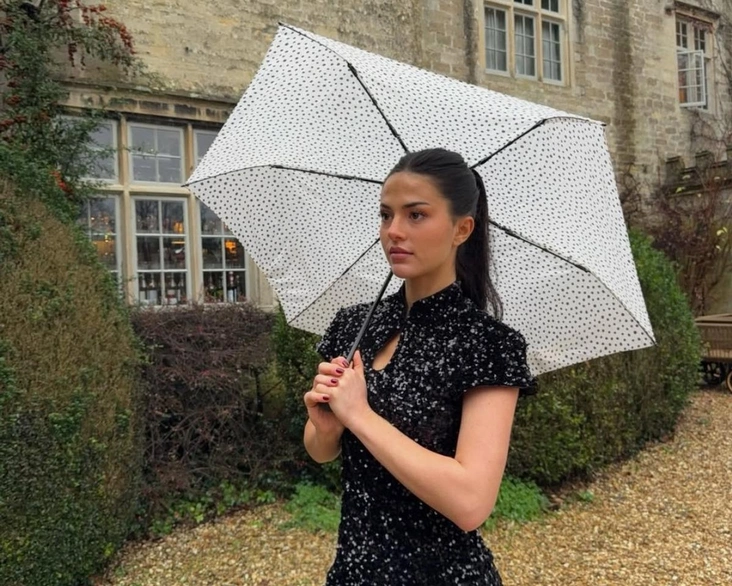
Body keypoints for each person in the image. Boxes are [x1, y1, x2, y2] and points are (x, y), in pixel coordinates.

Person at [303, 148, 534, 585]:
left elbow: (471, 502)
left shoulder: (487, 345)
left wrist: (359, 415)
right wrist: (326, 426)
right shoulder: (354, 325)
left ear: (462, 229)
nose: (393, 231)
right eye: (386, 215)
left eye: (416, 215)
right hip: (353, 573)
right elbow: (319, 450)